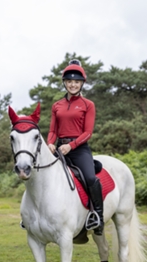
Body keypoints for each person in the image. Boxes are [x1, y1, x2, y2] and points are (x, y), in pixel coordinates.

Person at [47, 59, 104, 235]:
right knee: (40, 175)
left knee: (90, 178)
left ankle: (98, 217)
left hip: (79, 149)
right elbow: (52, 130)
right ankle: (32, 216)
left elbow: (88, 132)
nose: (73, 84)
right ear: (65, 83)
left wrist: (71, 146)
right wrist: (50, 142)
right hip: (58, 148)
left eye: (76, 82)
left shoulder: (88, 105)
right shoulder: (57, 105)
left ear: (82, 83)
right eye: (69, 81)